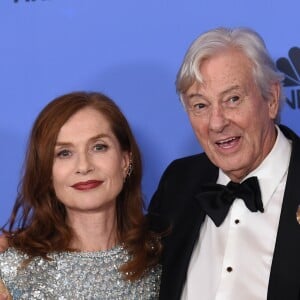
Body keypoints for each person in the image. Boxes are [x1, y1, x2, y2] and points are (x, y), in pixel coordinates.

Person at [148, 27, 300, 300]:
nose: (217, 123)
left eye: (232, 99)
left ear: (272, 99)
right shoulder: (177, 183)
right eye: (200, 106)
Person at [0, 91, 162, 299]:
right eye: (64, 153)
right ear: (47, 172)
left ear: (125, 160)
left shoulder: (163, 257)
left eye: (98, 147)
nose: (84, 166)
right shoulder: (12, 270)